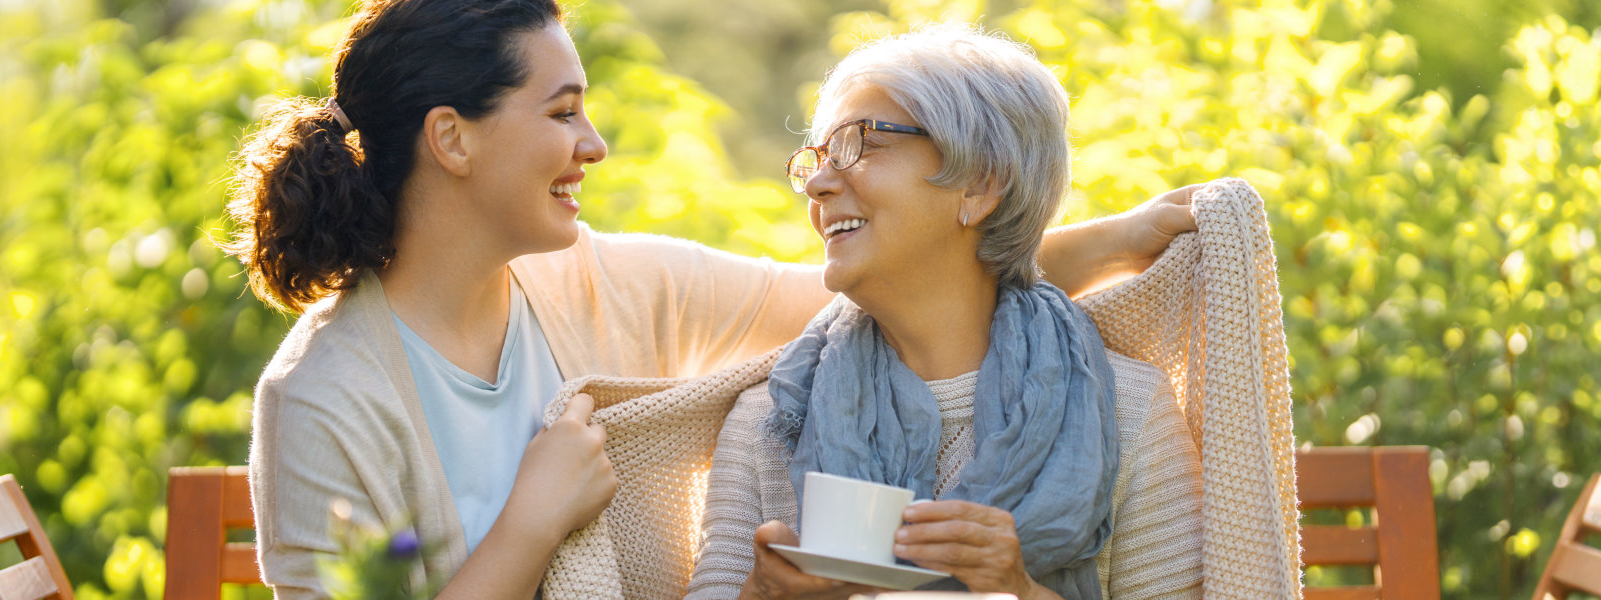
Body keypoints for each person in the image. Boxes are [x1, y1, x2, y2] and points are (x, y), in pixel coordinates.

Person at [221, 1, 1197, 597]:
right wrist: (529, 525)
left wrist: (1105, 238)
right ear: (454, 138)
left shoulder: (599, 283)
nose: (595, 145)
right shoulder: (324, 398)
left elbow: (881, 288)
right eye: (563, 113)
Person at [687, 25, 1204, 599]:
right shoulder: (772, 417)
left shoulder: (1130, 409)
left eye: (863, 144)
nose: (819, 184)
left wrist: (1020, 592)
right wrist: (763, 596)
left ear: (980, 185)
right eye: (819, 158)